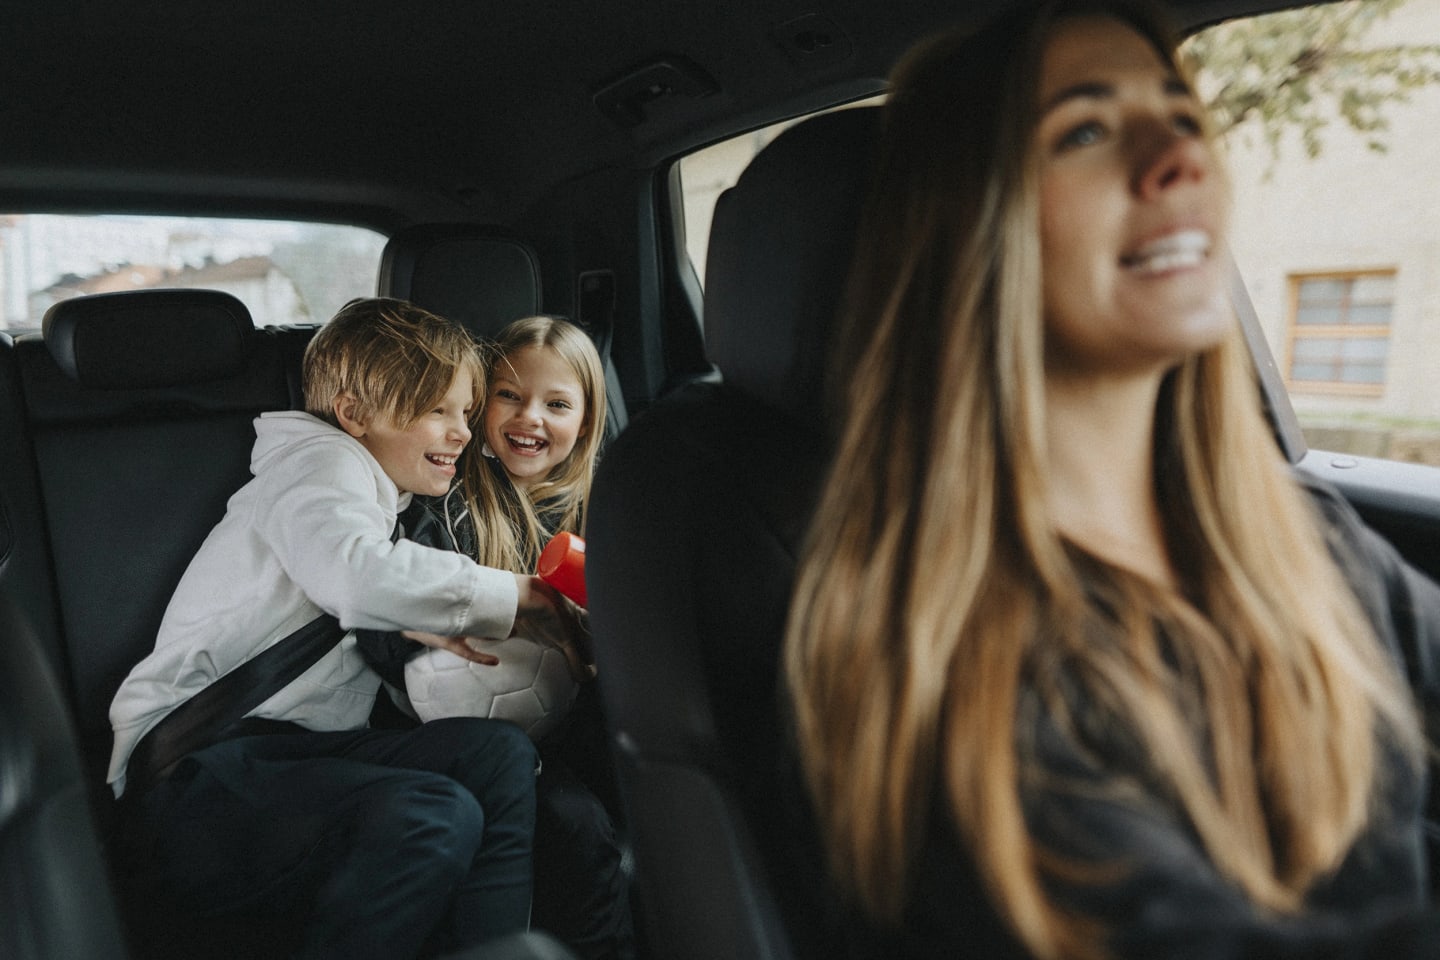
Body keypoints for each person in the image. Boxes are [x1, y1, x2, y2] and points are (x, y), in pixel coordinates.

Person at [782, 3, 1440, 959]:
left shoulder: (1306, 538)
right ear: (970, 230)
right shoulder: (970, 673)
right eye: (1083, 131)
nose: (1179, 160)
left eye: (1181, 112)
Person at [108, 297, 587, 960]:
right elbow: (356, 577)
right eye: (436, 411)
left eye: (466, 413)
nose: (462, 433)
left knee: (496, 757)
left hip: (289, 763)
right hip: (195, 783)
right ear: (356, 415)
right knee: (434, 814)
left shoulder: (382, 501)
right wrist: (519, 595)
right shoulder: (318, 466)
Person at [359, 315, 634, 960]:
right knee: (577, 827)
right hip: (484, 728)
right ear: (481, 407)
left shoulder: (605, 507)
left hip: (586, 711)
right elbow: (386, 613)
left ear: (587, 421)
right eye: (510, 395)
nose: (529, 417)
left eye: (557, 403)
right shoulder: (441, 502)